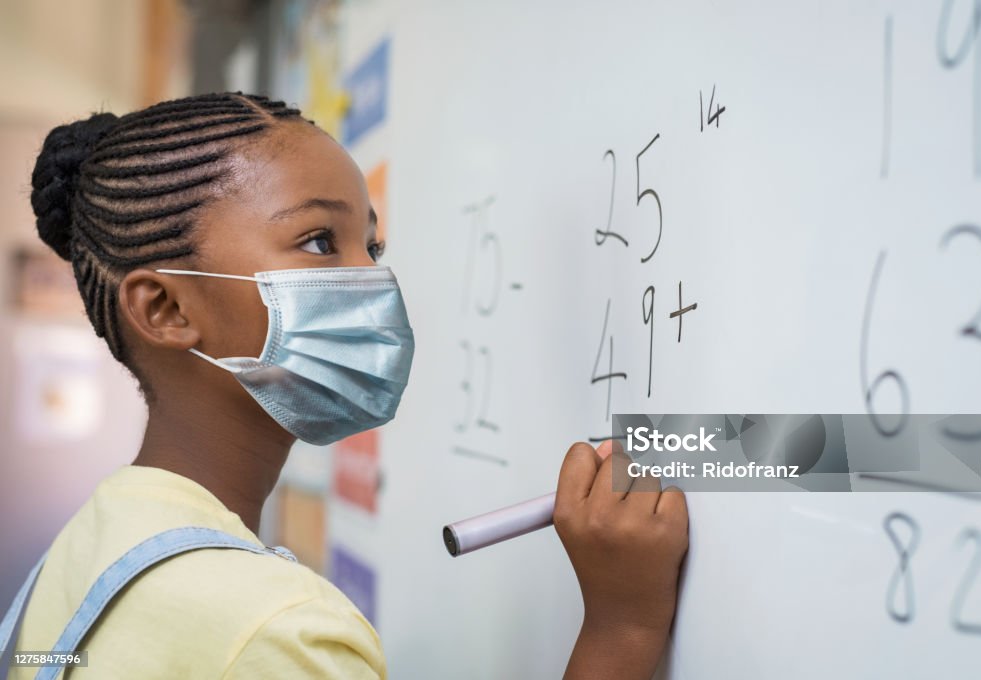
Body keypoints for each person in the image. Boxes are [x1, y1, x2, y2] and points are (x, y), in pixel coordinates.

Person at [2, 92, 689, 679]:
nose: (373, 282)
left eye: (373, 247)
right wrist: (622, 628)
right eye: (320, 242)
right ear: (167, 310)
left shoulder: (90, 547)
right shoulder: (274, 630)